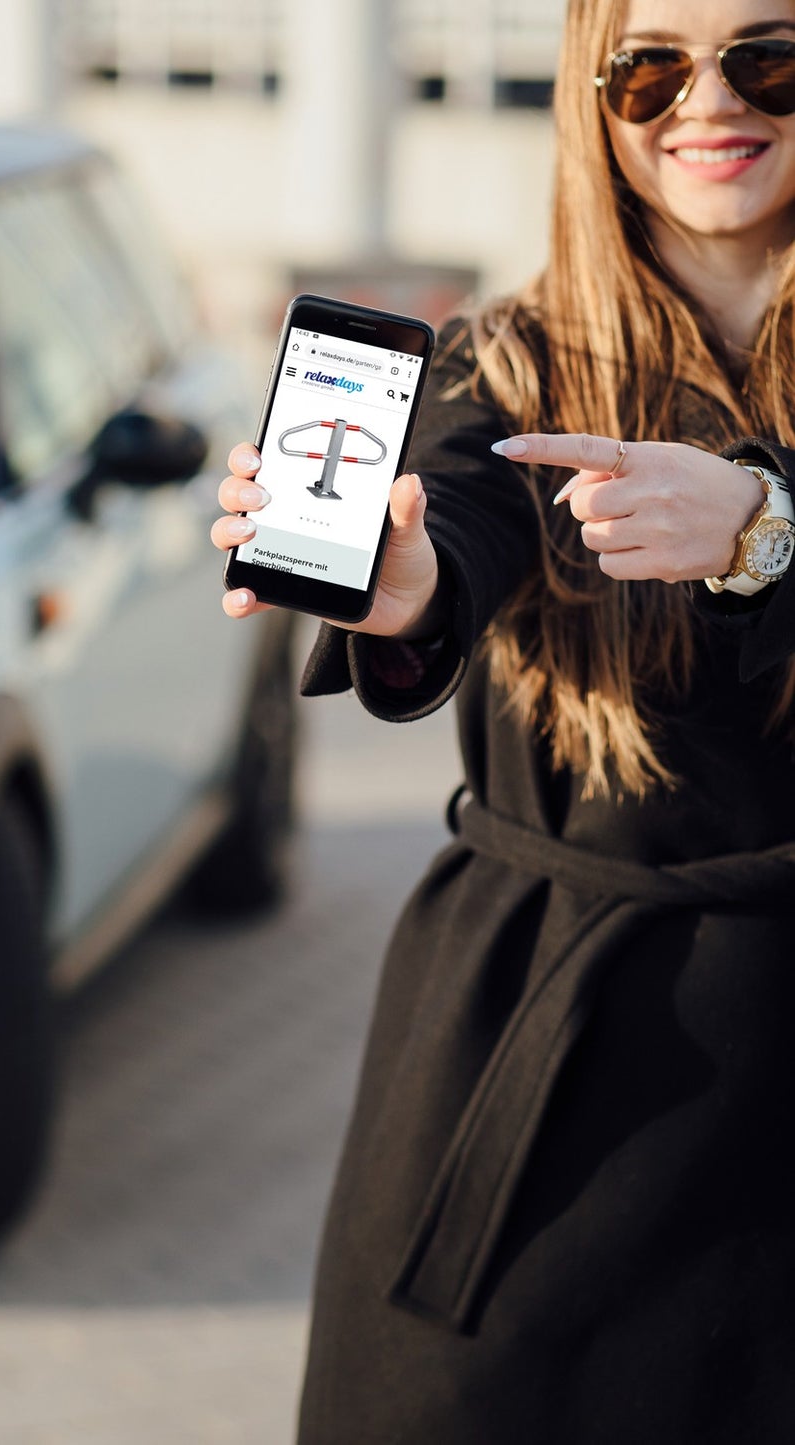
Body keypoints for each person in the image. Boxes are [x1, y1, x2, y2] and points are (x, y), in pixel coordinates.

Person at [211, 1, 795, 1439]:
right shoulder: (512, 357)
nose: (703, 101)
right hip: (562, 1060)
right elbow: (461, 519)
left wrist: (763, 522)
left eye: (767, 53)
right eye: (649, 65)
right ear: (593, 102)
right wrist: (404, 583)